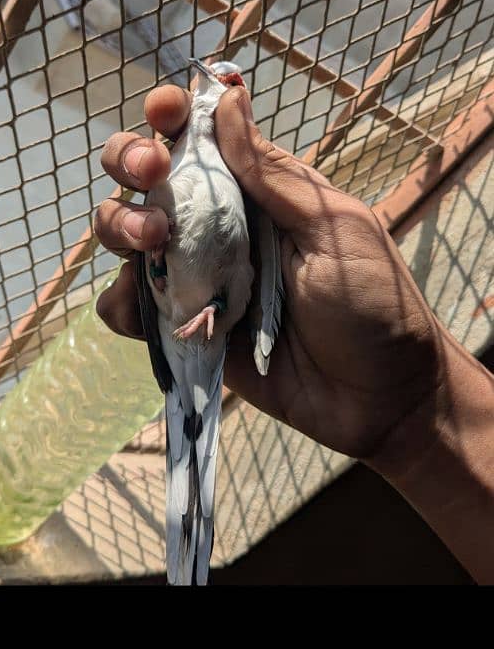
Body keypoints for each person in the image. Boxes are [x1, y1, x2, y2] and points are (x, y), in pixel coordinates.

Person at [93, 83, 494, 584]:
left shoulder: (239, 182)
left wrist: (227, 306)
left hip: (220, 318)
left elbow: (249, 267)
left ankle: (187, 556)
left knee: (191, 434)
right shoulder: (168, 172)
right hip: (184, 313)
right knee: (189, 422)